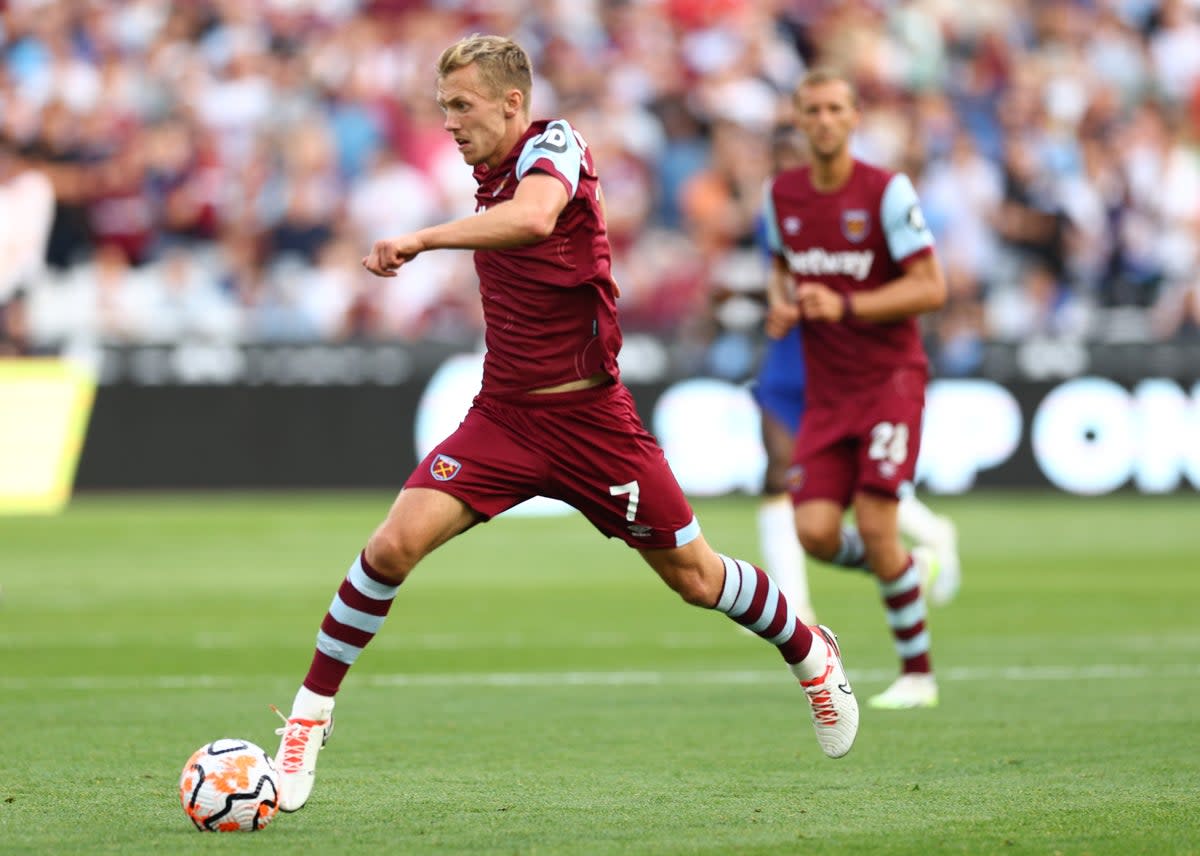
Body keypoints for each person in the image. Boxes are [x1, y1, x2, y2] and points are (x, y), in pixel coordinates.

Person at [271, 35, 859, 813]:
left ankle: (809, 650)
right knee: (389, 547)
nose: (447, 122)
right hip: (504, 419)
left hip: (592, 422)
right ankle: (308, 722)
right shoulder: (485, 173)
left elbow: (537, 218)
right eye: (443, 106)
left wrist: (423, 237)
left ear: (513, 102)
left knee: (696, 578)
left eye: (462, 105)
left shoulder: (556, 145)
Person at [761, 68, 948, 711]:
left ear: (855, 116)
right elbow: (780, 269)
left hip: (890, 379)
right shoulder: (781, 196)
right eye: (811, 110)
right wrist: (782, 307)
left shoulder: (885, 193)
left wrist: (843, 304)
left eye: (835, 109)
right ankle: (904, 565)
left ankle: (918, 674)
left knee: (874, 519)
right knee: (812, 531)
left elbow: (931, 287)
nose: (823, 121)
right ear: (798, 116)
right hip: (828, 389)